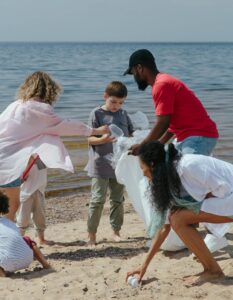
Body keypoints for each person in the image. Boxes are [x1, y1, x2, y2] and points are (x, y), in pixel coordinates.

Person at [0, 71, 109, 221]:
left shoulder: (14, 105)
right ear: (49, 90)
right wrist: (95, 130)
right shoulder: (41, 110)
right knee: (11, 208)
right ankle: (7, 241)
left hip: (4, 158)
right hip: (7, 165)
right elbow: (66, 126)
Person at [126, 141, 233, 286]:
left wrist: (197, 203)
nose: (144, 175)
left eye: (143, 169)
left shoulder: (189, 165)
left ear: (152, 165)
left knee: (179, 217)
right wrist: (143, 265)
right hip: (226, 202)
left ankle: (213, 271)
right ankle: (212, 270)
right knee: (176, 218)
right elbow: (164, 226)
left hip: (229, 196)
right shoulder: (168, 176)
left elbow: (225, 188)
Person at [123, 49, 219, 155]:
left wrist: (143, 146)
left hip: (198, 136)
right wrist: (159, 144)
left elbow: (163, 122)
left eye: (133, 73)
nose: (134, 78)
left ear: (139, 68)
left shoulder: (161, 85)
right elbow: (172, 126)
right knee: (172, 169)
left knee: (186, 170)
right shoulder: (162, 81)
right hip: (189, 135)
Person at [86, 81, 134, 246]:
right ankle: (91, 235)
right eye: (113, 101)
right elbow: (89, 138)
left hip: (119, 164)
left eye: (121, 102)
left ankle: (116, 231)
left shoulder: (123, 114)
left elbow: (131, 135)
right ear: (105, 96)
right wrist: (103, 139)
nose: (116, 106)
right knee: (97, 199)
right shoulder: (96, 114)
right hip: (99, 164)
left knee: (117, 199)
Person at [0, 192, 50, 277]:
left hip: (8, 263)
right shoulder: (9, 222)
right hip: (28, 259)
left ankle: (2, 275)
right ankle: (45, 264)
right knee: (27, 239)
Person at [16, 162, 53, 245]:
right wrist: (29, 162)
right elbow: (21, 177)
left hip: (39, 190)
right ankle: (18, 243)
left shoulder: (42, 155)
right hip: (25, 192)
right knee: (23, 219)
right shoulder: (23, 155)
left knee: (40, 217)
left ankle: (41, 239)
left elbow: (44, 166)